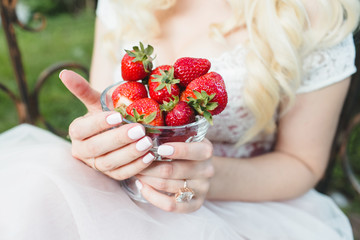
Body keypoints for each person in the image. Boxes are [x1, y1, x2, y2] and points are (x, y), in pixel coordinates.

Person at [0, 0, 359, 239]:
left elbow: (303, 163)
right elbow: (103, 107)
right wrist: (98, 144)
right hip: (120, 189)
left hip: (245, 202)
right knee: (34, 189)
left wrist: (202, 177)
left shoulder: (313, 12)